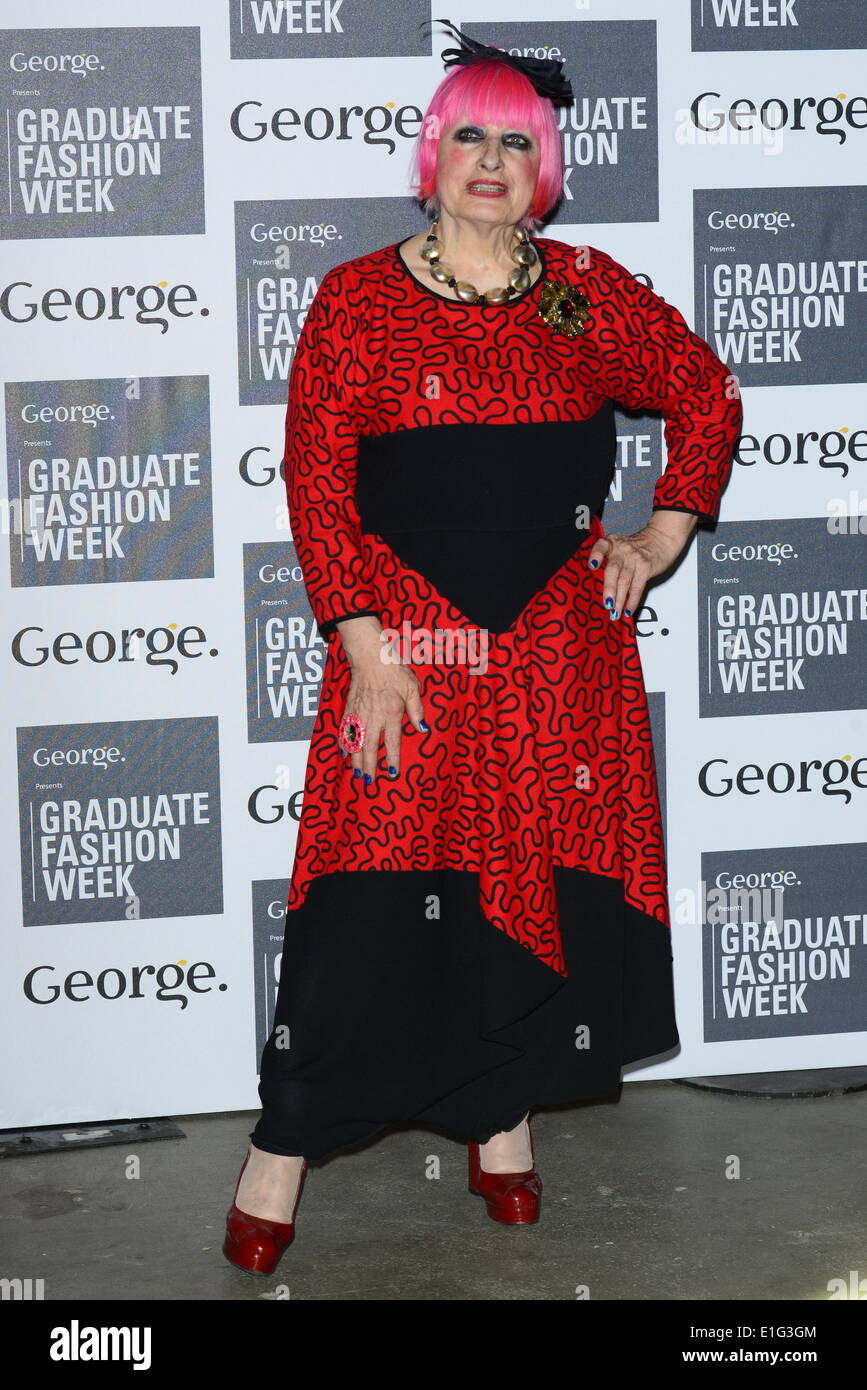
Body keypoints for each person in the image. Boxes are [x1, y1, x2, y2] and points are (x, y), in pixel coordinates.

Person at [223, 19, 743, 1275]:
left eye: (521, 140)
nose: (494, 160)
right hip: (406, 652)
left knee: (522, 889)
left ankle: (502, 1126)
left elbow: (705, 394)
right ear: (432, 153)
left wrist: (659, 534)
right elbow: (315, 479)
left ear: (548, 165)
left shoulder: (579, 292)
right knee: (364, 910)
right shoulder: (355, 296)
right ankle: (281, 1146)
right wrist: (365, 646)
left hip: (557, 665)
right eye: (472, 134)